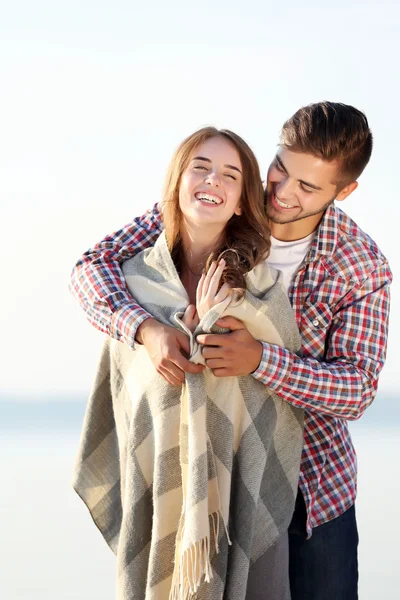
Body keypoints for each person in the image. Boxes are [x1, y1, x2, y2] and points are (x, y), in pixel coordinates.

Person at [70, 102, 392, 599]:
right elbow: (92, 267)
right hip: (210, 475)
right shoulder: (225, 200)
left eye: (307, 187)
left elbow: (358, 388)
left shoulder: (360, 264)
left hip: (312, 489)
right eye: (281, 168)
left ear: (343, 191)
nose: (282, 193)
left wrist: (263, 361)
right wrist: (144, 329)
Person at [72, 127, 304, 600]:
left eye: (230, 174)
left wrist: (239, 346)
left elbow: (278, 397)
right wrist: (150, 330)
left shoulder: (261, 294)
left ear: (241, 200)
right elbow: (129, 394)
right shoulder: (136, 286)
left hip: (246, 497)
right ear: (176, 183)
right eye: (200, 167)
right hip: (160, 492)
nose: (212, 180)